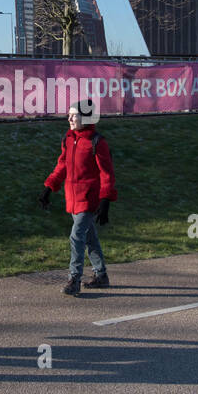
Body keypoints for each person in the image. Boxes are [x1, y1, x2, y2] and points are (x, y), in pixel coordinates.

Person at [38, 99, 117, 295]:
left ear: (86, 117)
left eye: (74, 115)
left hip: (89, 198)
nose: (70, 118)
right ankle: (101, 275)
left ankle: (74, 279)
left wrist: (105, 200)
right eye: (69, 114)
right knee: (89, 237)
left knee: (76, 236)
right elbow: (62, 166)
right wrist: (49, 188)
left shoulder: (97, 142)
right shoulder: (68, 139)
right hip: (72, 198)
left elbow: (107, 173)